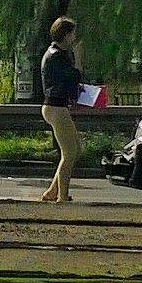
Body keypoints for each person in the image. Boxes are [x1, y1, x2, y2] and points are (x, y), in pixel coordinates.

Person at [38, 17, 86, 204]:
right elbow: (72, 78)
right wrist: (79, 59)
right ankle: (62, 196)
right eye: (72, 33)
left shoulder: (54, 53)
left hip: (56, 106)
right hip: (56, 107)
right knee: (70, 153)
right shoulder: (57, 55)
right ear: (65, 34)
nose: (74, 37)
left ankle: (52, 191)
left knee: (75, 149)